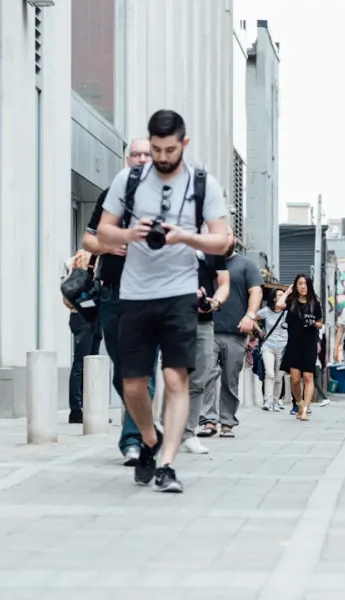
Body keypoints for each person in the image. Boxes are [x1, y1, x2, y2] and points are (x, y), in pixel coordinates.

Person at [97, 109, 229, 492]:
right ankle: (149, 438)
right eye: (156, 149)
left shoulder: (203, 184)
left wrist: (185, 236)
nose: (162, 157)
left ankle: (167, 464)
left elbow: (222, 241)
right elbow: (102, 232)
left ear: (184, 144)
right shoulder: (129, 180)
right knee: (132, 385)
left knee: (175, 378)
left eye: (170, 150)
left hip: (179, 292)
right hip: (135, 293)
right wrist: (129, 234)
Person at [83, 139, 157, 465]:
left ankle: (133, 441)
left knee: (143, 370)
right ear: (128, 159)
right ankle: (142, 422)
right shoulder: (111, 196)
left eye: (147, 155)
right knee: (122, 372)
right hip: (113, 293)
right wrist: (108, 247)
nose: (141, 159)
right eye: (135, 154)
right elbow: (88, 239)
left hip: (152, 295)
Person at [199, 229, 263, 437]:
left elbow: (256, 291)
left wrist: (250, 315)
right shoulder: (205, 262)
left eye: (227, 235)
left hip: (235, 332)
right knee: (206, 375)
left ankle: (227, 422)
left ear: (234, 239)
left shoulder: (246, 264)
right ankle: (208, 421)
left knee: (230, 380)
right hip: (207, 329)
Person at [179, 248, 229, 454]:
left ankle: (188, 434)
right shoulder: (171, 239)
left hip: (203, 321)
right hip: (173, 318)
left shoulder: (212, 247)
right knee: (174, 376)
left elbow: (224, 283)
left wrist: (213, 302)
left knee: (199, 378)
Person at [61, 250, 103, 424]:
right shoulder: (87, 258)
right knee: (83, 363)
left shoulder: (75, 260)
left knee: (90, 364)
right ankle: (77, 410)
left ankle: (87, 409)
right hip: (84, 316)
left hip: (87, 316)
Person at [277, 274, 323, 420]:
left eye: (305, 284)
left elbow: (320, 323)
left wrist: (313, 323)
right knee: (295, 379)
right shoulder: (291, 301)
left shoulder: (315, 303)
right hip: (294, 344)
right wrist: (287, 292)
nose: (303, 286)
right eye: (300, 284)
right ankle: (300, 403)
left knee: (308, 377)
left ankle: (305, 411)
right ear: (296, 286)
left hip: (309, 343)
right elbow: (279, 305)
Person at [257, 288, 289, 411]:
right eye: (280, 295)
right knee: (269, 373)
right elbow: (253, 318)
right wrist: (260, 331)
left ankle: (276, 402)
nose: (283, 297)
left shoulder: (288, 313)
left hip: (283, 348)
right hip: (268, 346)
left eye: (284, 295)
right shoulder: (266, 311)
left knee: (278, 377)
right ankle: (267, 401)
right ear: (274, 298)